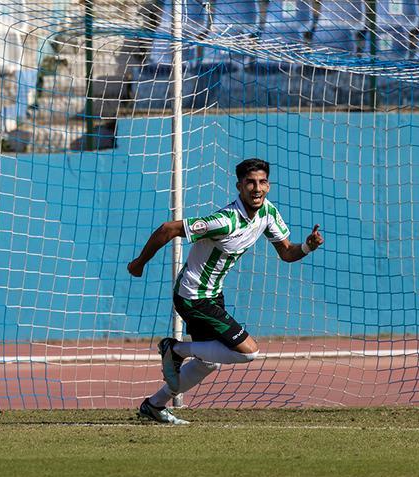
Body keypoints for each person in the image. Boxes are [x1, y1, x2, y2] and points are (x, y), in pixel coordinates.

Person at [129, 158, 324, 424]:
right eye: (250, 183)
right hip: (192, 296)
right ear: (239, 187)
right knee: (248, 351)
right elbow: (168, 229)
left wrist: (307, 247)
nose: (257, 188)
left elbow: (287, 252)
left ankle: (154, 405)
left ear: (268, 185)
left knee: (208, 362)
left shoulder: (267, 213)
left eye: (262, 182)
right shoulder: (225, 220)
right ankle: (174, 350)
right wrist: (140, 263)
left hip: (212, 295)